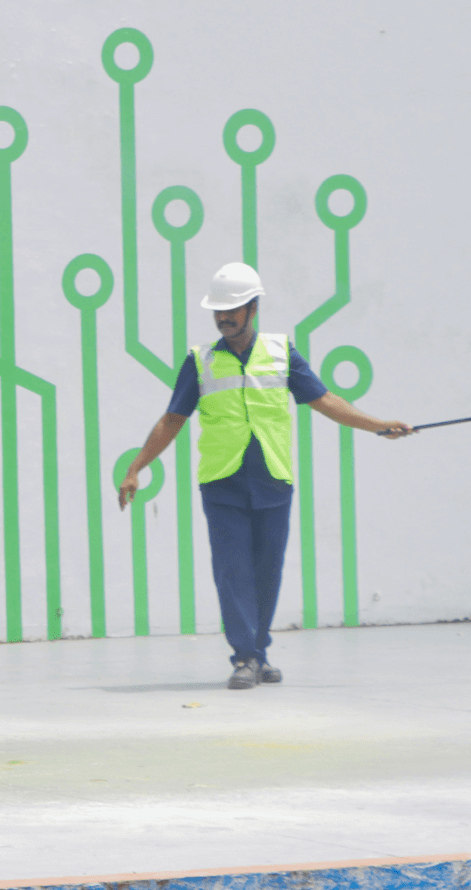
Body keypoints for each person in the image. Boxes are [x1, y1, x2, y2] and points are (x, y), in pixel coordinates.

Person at [117, 263, 413, 689]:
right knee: (233, 570)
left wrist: (378, 424)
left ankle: (258, 652)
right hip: (222, 482)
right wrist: (135, 468)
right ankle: (245, 657)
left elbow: (325, 399)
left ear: (253, 307)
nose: (224, 318)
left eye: (233, 309)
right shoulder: (200, 361)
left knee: (267, 570)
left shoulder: (281, 352)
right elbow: (172, 419)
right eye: (218, 311)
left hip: (274, 478)